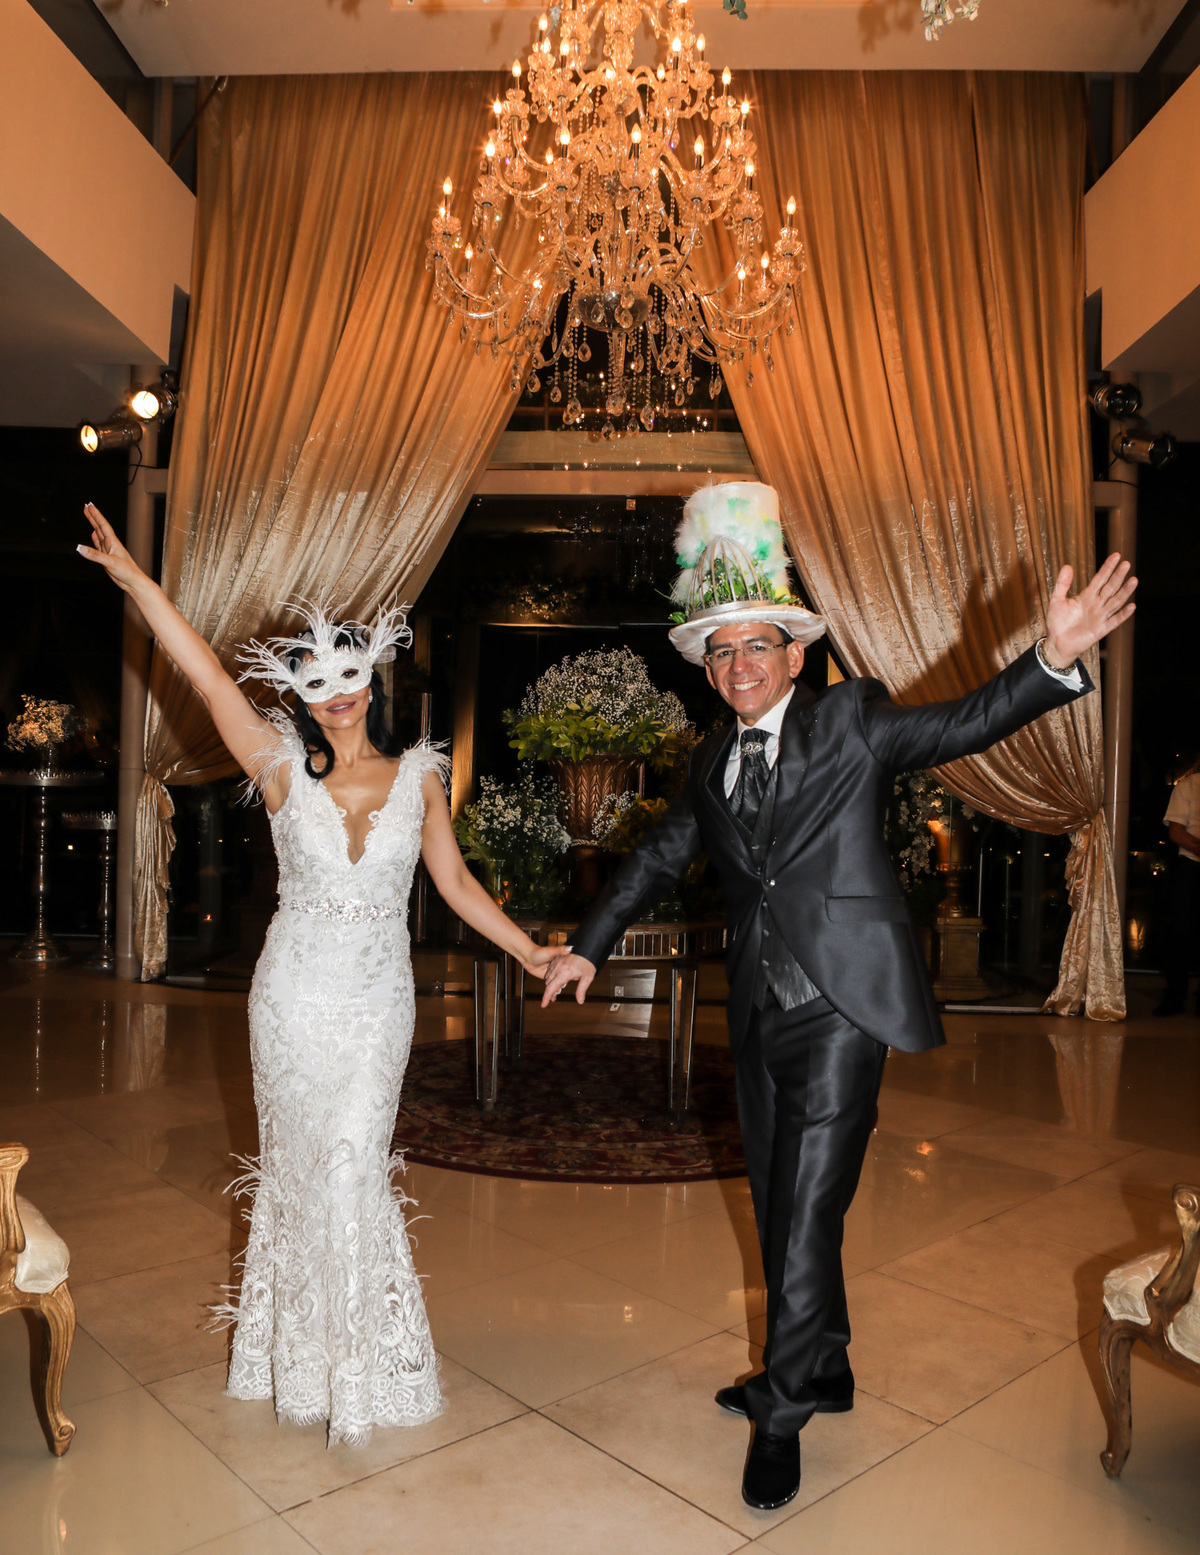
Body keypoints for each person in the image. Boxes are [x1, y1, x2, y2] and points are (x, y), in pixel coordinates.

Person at [541, 482, 1136, 1510]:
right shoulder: (711, 763)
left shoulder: (852, 721)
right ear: (708, 668)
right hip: (759, 1014)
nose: (740, 664)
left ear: (795, 654)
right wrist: (588, 948)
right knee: (781, 1202)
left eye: (757, 645)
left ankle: (782, 1414)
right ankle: (828, 1363)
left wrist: (1051, 657)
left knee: (809, 1210)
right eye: (722, 651)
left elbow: (961, 724)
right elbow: (654, 862)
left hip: (843, 1010)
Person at [78, 503, 565, 1446]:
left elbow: (456, 884)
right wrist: (137, 584)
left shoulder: (419, 776)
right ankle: (298, 1362)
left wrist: (529, 948)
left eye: (350, 674)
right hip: (291, 999)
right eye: (316, 680)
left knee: (352, 1168)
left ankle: (359, 1374)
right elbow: (205, 675)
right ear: (299, 694)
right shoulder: (278, 771)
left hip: (377, 1002)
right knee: (302, 1171)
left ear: (372, 678)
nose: (337, 693)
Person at [1155, 756, 1200, 1016]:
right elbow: (1176, 832)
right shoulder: (1188, 786)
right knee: (1180, 933)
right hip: (1191, 867)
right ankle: (1175, 995)